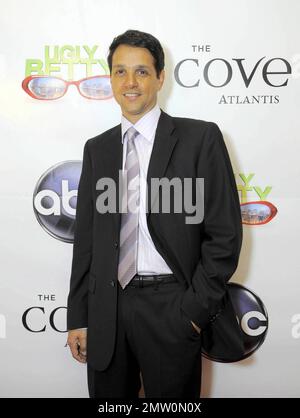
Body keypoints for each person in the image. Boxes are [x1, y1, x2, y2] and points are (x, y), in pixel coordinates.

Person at [66, 29, 243, 398]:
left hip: (172, 308)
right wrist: (79, 317)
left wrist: (193, 311)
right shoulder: (97, 149)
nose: (130, 83)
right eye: (120, 71)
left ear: (160, 77)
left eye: (142, 72)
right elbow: (86, 242)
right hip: (106, 311)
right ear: (110, 78)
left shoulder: (200, 139)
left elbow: (224, 235)